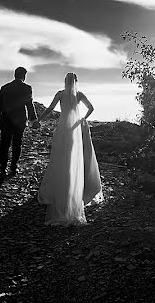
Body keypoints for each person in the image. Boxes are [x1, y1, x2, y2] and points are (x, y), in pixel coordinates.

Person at [33, 72, 103, 225]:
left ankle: (60, 190)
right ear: (76, 82)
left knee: (60, 158)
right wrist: (83, 119)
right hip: (74, 129)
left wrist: (39, 119)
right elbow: (91, 108)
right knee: (74, 158)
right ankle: (73, 189)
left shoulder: (60, 94)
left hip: (63, 128)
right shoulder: (79, 95)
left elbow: (50, 108)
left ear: (65, 82)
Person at [0, 66, 37, 181]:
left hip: (6, 120)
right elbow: (29, 104)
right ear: (24, 76)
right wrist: (33, 120)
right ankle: (13, 167)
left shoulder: (5, 87)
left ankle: (3, 169)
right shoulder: (27, 88)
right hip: (20, 121)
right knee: (17, 144)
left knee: (4, 145)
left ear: (14, 75)